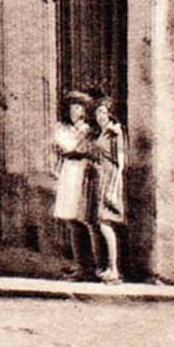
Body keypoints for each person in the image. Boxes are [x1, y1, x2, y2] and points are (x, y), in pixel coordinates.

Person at [51, 92, 98, 281]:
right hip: (70, 173)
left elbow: (89, 150)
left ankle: (92, 265)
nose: (75, 112)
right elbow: (68, 148)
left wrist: (80, 144)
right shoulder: (62, 128)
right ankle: (81, 264)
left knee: (85, 218)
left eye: (79, 108)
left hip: (84, 174)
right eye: (72, 108)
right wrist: (79, 143)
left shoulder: (88, 129)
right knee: (71, 220)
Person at [92, 97, 127, 284]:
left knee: (106, 223)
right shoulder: (104, 132)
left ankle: (114, 269)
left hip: (111, 179)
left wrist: (113, 188)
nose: (100, 116)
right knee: (103, 222)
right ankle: (110, 267)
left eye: (104, 112)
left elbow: (120, 163)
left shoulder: (115, 133)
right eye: (98, 112)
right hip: (102, 178)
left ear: (111, 114)